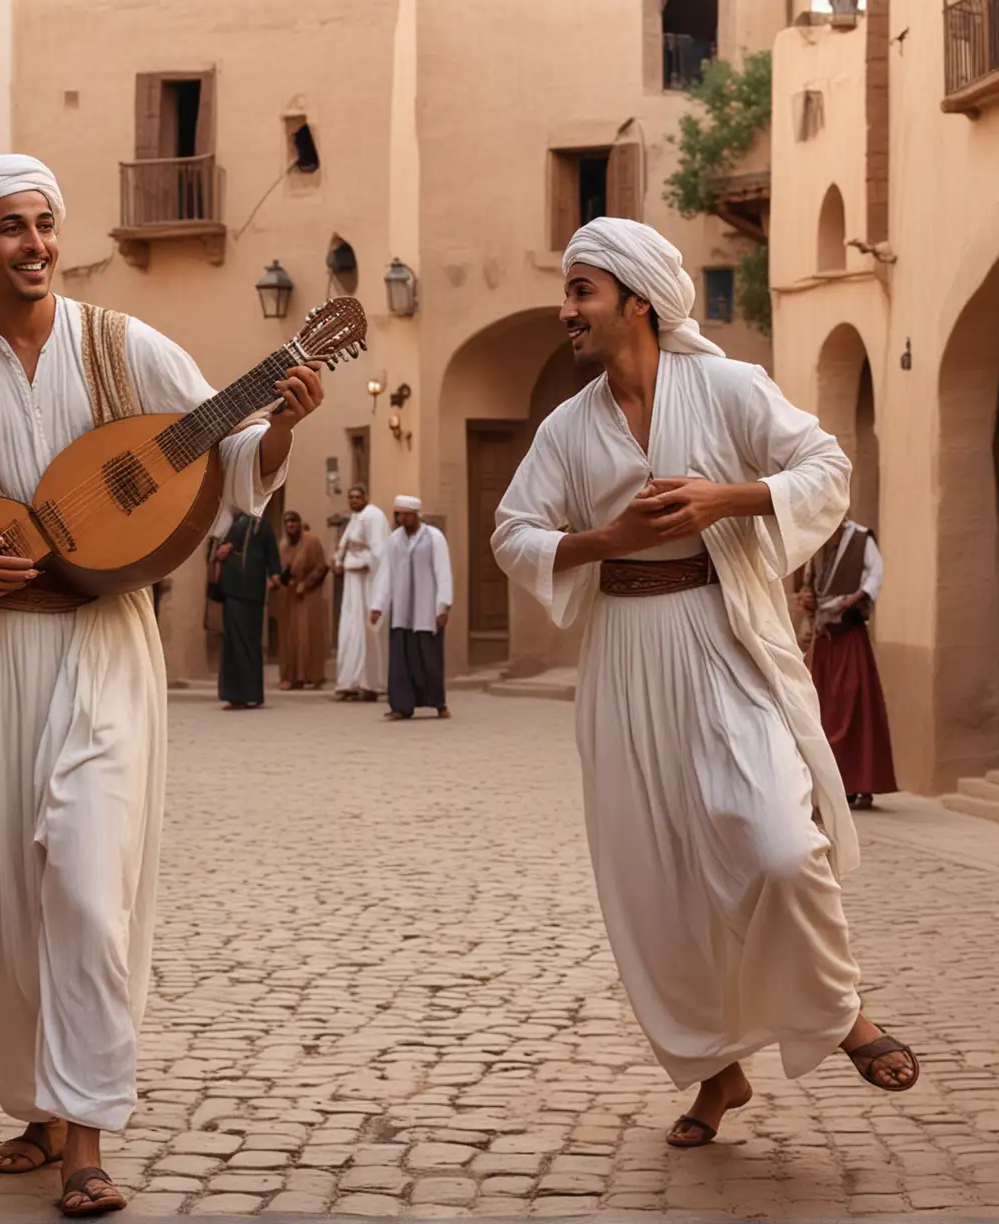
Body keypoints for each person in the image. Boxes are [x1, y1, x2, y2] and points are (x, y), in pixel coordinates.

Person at [0, 154, 322, 1217]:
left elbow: (223, 454)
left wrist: (279, 424)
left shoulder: (125, 345)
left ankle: (87, 1132)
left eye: (45, 223)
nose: (36, 244)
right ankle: (36, 1101)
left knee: (91, 885)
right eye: (10, 228)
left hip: (100, 645)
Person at [489, 216, 920, 1149]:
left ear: (637, 300)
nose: (566, 310)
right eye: (567, 291)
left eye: (582, 292)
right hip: (623, 659)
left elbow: (826, 466)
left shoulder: (727, 387)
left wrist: (734, 496)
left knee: (775, 846)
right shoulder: (568, 428)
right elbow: (513, 532)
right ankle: (716, 1074)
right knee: (658, 883)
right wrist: (605, 541)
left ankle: (838, 1011)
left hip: (725, 637)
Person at [796, 519, 899, 809]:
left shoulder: (860, 539)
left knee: (855, 705)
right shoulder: (814, 536)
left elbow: (874, 574)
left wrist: (856, 598)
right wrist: (807, 599)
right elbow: (809, 584)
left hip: (849, 638)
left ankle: (860, 782)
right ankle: (831, 784)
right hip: (824, 640)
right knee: (823, 709)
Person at [371, 495, 452, 720]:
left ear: (416, 515)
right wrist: (378, 605)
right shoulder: (394, 540)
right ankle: (401, 706)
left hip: (427, 612)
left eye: (407, 515)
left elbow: (443, 572)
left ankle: (439, 704)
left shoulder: (434, 538)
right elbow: (386, 573)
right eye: (399, 514)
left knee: (430, 660)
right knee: (400, 662)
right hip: (401, 613)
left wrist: (443, 606)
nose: (402, 518)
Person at [211, 511, 279, 710]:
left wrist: (275, 574)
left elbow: (271, 553)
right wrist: (221, 552)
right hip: (231, 591)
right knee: (232, 645)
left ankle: (251, 694)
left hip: (251, 593)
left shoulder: (260, 526)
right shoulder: (226, 523)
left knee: (249, 643)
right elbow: (214, 550)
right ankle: (233, 694)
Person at [333, 485, 390, 701]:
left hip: (368, 583)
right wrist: (338, 562)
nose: (354, 501)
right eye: (351, 497)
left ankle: (371, 683)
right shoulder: (355, 518)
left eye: (358, 497)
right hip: (351, 583)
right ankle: (350, 681)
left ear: (366, 497)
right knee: (351, 629)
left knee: (368, 630)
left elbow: (380, 551)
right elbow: (343, 546)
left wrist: (365, 564)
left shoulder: (373, 515)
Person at [273, 511, 331, 690]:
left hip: (308, 594)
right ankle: (291, 677)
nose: (290, 525)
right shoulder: (283, 546)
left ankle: (312, 676)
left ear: (299, 523)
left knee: (308, 636)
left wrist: (306, 584)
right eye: (287, 522)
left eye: (293, 522)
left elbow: (322, 567)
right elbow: (281, 570)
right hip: (288, 596)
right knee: (289, 638)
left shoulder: (311, 541)